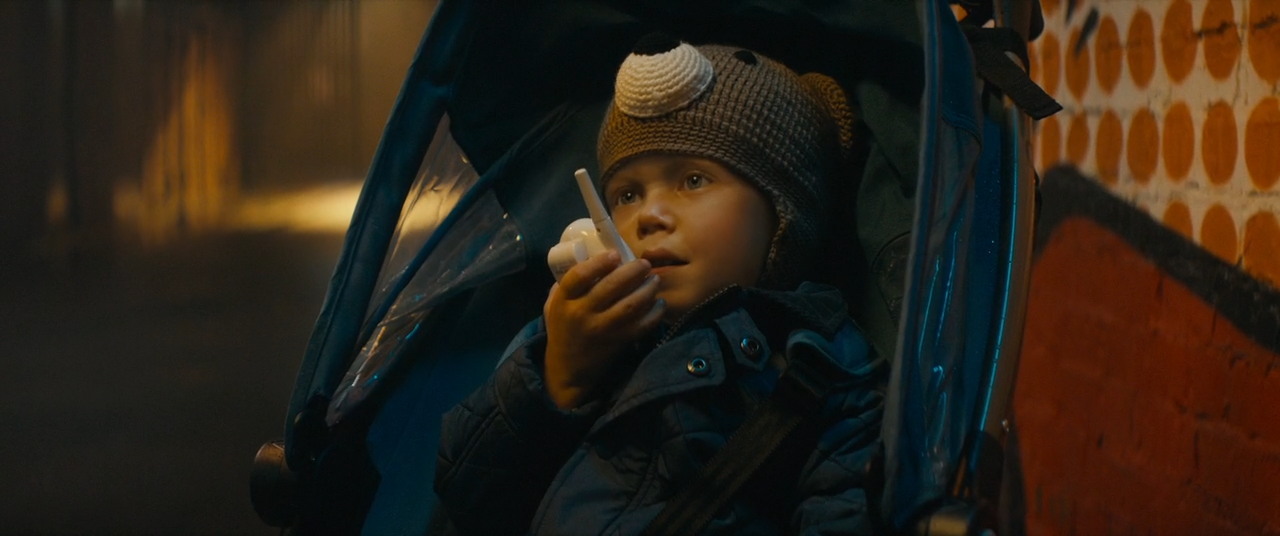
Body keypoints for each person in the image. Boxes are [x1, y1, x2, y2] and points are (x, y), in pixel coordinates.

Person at [433, 34, 884, 535]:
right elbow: (467, 502)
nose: (649, 215)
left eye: (693, 181)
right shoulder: (572, 335)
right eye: (626, 195)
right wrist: (561, 375)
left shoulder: (826, 371)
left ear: (784, 215)